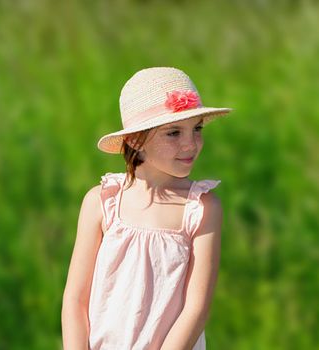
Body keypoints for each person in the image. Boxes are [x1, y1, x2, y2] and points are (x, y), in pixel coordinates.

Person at [61, 67, 232, 350]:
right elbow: (75, 300)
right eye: (174, 132)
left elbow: (197, 308)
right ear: (135, 140)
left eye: (197, 128)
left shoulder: (201, 208)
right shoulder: (101, 202)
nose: (190, 144)